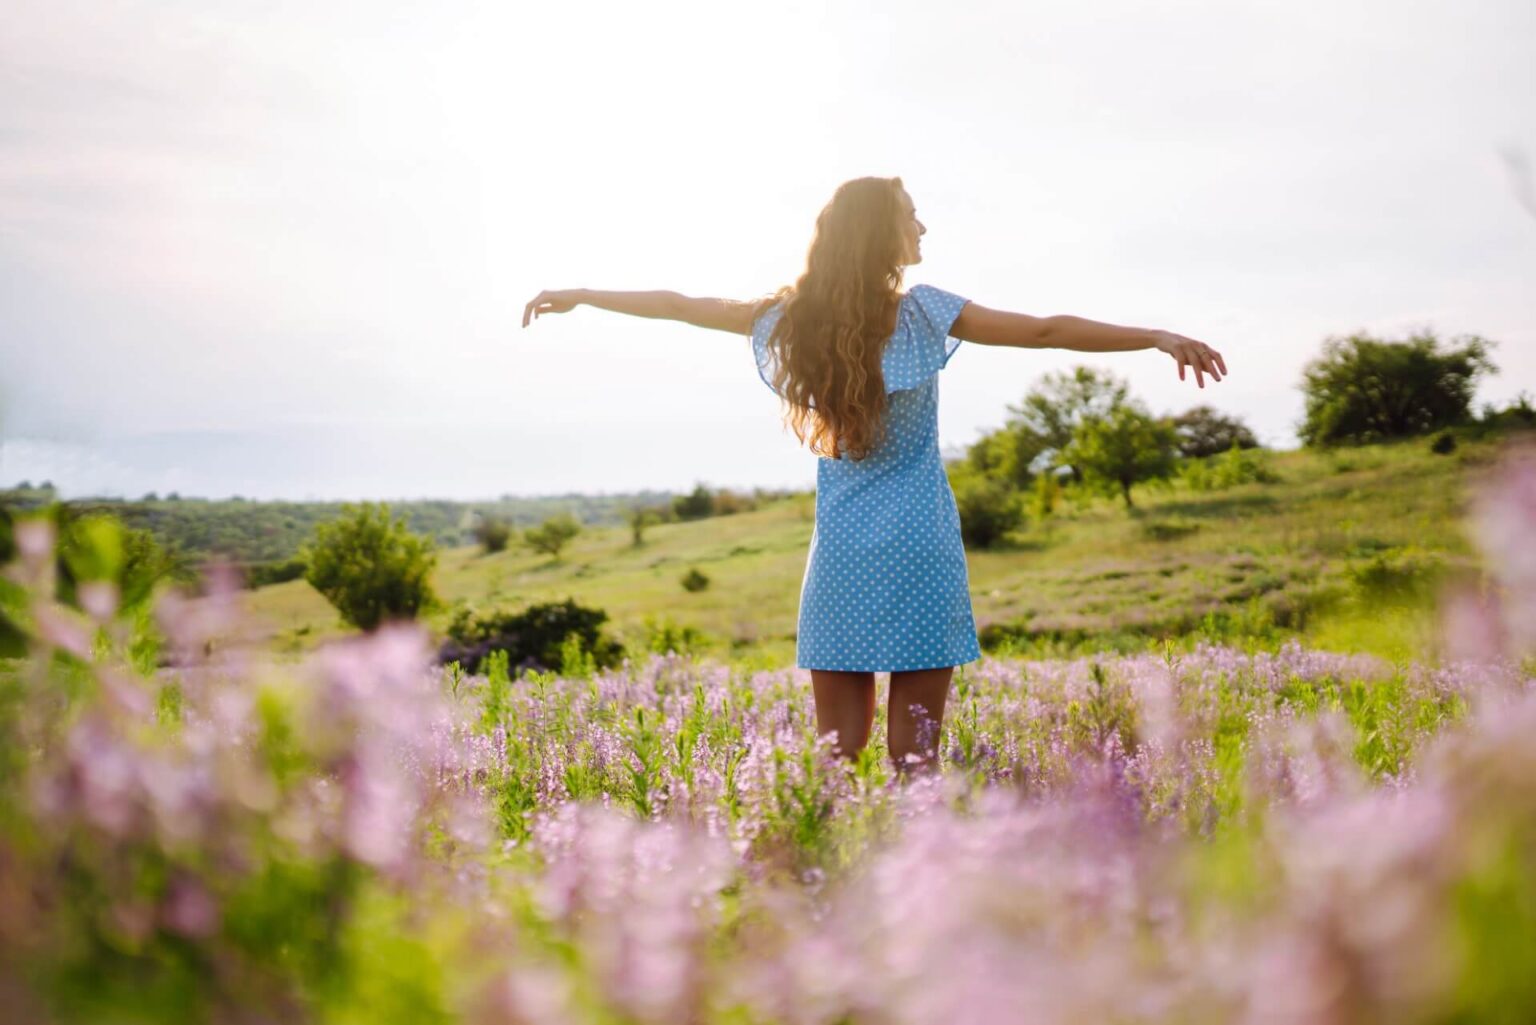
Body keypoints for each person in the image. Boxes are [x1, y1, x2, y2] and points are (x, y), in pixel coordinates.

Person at [522, 175, 1226, 777]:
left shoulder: (793, 321)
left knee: (835, 756)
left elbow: (677, 304)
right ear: (880, 234)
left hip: (843, 552)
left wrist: (582, 292)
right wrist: (1154, 335)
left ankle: (825, 881)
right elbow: (1044, 329)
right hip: (920, 542)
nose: (922, 224)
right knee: (914, 759)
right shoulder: (924, 313)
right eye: (910, 214)